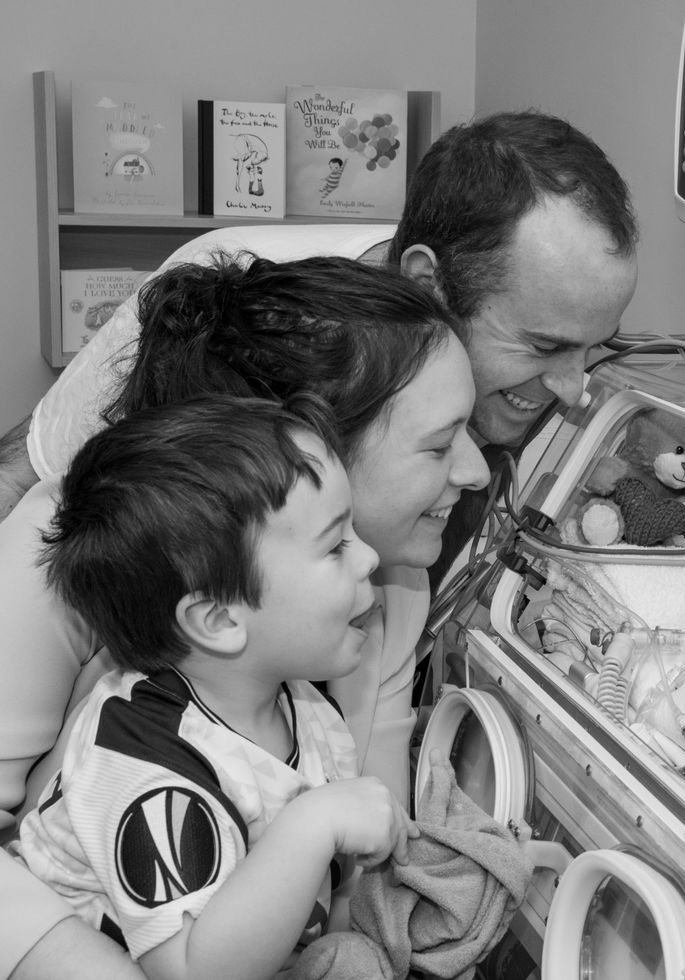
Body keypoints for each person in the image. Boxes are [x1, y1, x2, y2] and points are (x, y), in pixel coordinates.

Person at [0, 253, 488, 980]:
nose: (477, 470)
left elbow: (366, 828)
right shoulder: (72, 561)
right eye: (439, 444)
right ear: (310, 448)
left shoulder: (390, 589)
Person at [0, 109, 638, 526]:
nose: (574, 389)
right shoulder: (234, 300)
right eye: (543, 346)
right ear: (427, 284)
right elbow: (26, 476)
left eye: (594, 348)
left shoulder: (525, 378)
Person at [12, 394, 417, 980]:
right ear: (221, 622)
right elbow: (193, 970)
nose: (370, 557)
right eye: (335, 546)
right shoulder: (142, 763)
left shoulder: (305, 708)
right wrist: (313, 826)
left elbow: (334, 896)